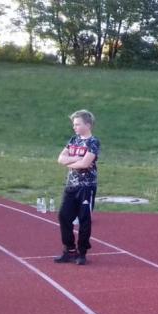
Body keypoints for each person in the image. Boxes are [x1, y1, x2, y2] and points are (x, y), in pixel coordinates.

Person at [54, 110, 100, 266]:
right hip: (71, 186)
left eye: (77, 124)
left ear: (87, 125)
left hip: (86, 187)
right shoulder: (73, 139)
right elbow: (60, 159)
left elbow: (85, 164)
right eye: (74, 124)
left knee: (84, 220)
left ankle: (82, 252)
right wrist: (75, 159)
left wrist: (70, 163)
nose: (74, 127)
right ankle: (69, 249)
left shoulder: (93, 142)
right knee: (63, 216)